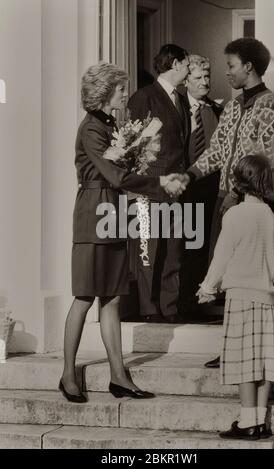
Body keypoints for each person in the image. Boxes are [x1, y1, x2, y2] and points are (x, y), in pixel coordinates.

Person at [169, 37, 274, 366]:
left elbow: (262, 161)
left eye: (230, 66)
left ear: (249, 67)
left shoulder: (269, 106)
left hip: (256, 207)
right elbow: (218, 150)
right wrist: (190, 174)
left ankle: (265, 350)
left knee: (256, 280)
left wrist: (237, 194)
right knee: (231, 279)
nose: (226, 72)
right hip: (227, 201)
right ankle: (231, 347)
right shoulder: (234, 106)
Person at [59, 62, 174, 403]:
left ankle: (119, 376)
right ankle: (67, 374)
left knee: (111, 298)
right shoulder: (92, 129)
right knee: (84, 296)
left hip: (112, 213)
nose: (126, 94)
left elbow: (121, 172)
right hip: (94, 215)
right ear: (106, 92)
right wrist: (157, 183)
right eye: (121, 89)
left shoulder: (110, 125)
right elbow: (116, 176)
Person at [196, 155, 274, 440]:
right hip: (264, 297)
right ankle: (260, 420)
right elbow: (273, 256)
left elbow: (221, 256)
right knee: (264, 361)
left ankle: (246, 422)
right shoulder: (268, 215)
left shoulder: (234, 215)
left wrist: (208, 287)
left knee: (245, 361)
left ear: (238, 182)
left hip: (241, 296)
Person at [127, 44, 191, 323]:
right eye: (187, 64)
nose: (189, 70)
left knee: (173, 250)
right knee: (148, 250)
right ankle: (150, 309)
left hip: (177, 187)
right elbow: (136, 147)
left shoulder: (182, 99)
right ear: (175, 64)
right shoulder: (144, 97)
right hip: (152, 188)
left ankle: (169, 307)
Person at [178, 54, 223, 315]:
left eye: (207, 77)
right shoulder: (178, 107)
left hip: (208, 189)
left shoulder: (216, 110)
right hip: (182, 188)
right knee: (183, 246)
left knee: (206, 244)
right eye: (198, 77)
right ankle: (182, 302)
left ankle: (201, 301)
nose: (205, 82)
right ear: (186, 81)